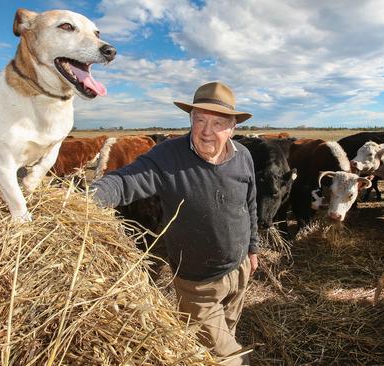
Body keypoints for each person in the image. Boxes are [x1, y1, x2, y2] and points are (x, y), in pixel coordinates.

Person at [92, 81, 259, 365]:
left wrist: (253, 248)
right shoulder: (167, 156)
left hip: (239, 270)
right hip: (198, 284)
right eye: (199, 120)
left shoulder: (243, 156)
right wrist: (82, 199)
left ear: (233, 127)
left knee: (227, 330)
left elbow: (250, 202)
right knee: (230, 358)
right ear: (190, 120)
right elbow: (123, 181)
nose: (206, 131)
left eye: (218, 123)